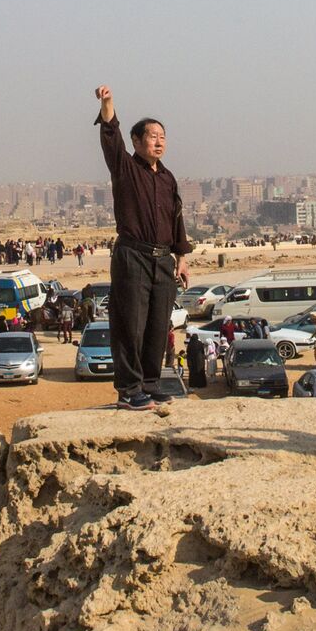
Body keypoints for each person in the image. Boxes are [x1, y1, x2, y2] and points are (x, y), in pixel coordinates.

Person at [95, 85, 191, 411]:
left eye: (163, 136)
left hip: (163, 261)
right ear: (137, 141)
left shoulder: (168, 179)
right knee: (129, 325)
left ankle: (150, 385)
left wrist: (182, 258)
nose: (159, 141)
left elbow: (176, 219)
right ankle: (128, 390)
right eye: (152, 136)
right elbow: (110, 135)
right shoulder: (125, 169)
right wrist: (108, 103)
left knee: (157, 324)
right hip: (132, 256)